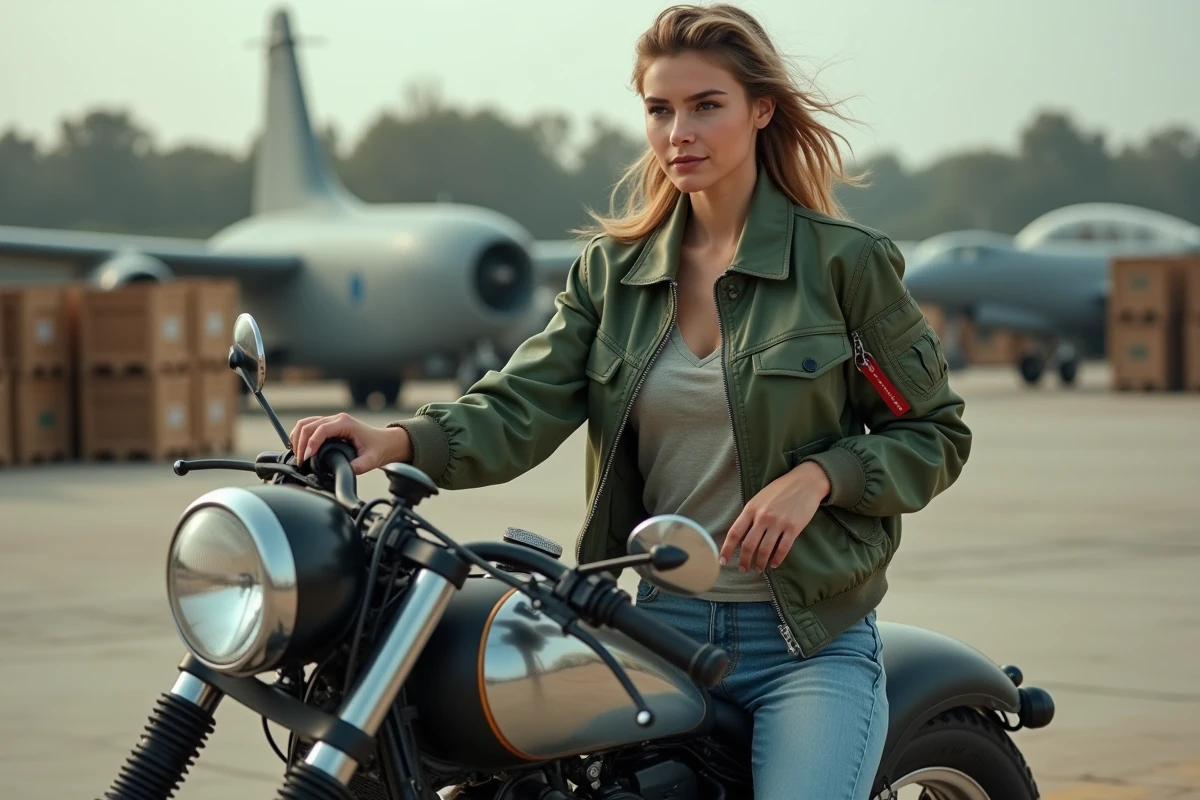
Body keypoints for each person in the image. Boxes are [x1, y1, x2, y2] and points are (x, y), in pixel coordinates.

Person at [290, 4, 971, 797]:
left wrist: (823, 476)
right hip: (652, 627)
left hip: (807, 647)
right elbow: (521, 402)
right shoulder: (611, 274)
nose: (679, 130)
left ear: (760, 109)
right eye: (659, 109)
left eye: (705, 105)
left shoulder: (844, 265)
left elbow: (932, 434)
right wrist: (396, 439)